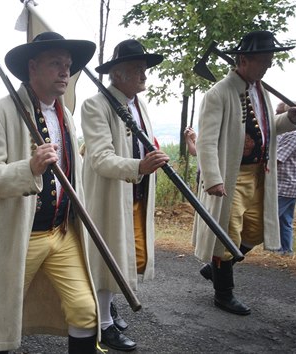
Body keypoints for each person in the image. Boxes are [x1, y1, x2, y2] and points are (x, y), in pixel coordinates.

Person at [0, 31, 99, 354]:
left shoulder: (66, 117)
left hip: (63, 234)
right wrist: (29, 169)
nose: (66, 71)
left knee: (86, 311)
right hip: (19, 238)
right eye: (56, 64)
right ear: (32, 67)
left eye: (67, 65)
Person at [192, 31, 296, 316]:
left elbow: (267, 127)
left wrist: (290, 118)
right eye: (263, 61)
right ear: (243, 60)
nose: (267, 66)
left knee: (255, 232)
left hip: (260, 174)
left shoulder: (259, 90)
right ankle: (224, 293)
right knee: (226, 236)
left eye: (269, 61)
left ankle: (217, 267)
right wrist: (214, 179)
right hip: (232, 176)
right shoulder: (218, 93)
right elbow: (206, 141)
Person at [80, 38, 169, 351]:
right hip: (110, 194)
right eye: (136, 69)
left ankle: (108, 310)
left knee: (128, 255)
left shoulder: (139, 104)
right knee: (110, 259)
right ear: (116, 74)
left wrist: (150, 159)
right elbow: (100, 158)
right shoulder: (96, 105)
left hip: (136, 192)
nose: (144, 75)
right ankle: (103, 325)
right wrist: (140, 166)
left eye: (144, 69)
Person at [275, 102, 296, 256]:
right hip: (289, 182)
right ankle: (285, 251)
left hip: (287, 183)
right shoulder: (285, 131)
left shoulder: (293, 133)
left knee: (269, 217)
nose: (276, 116)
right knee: (285, 220)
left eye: (279, 113)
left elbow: (277, 159)